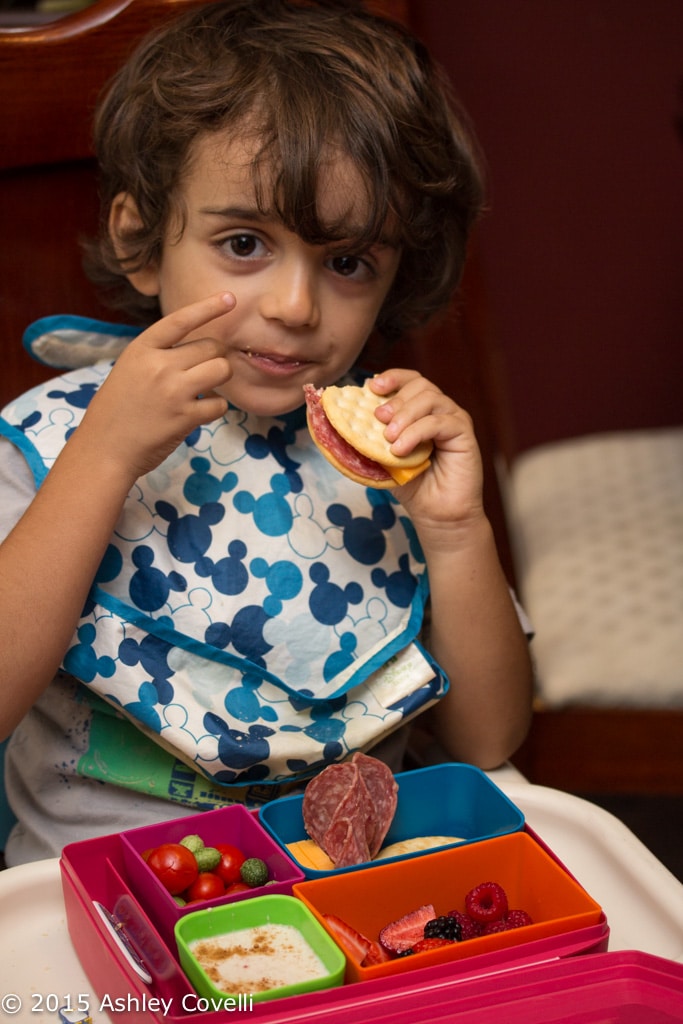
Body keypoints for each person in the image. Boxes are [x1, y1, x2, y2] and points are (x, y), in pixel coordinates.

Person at [0, 0, 533, 865]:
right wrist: (100, 459)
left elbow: (487, 741)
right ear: (141, 241)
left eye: (348, 263)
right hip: (105, 894)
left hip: (354, 886)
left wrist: (454, 532)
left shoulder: (390, 457)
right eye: (244, 242)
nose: (293, 307)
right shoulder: (48, 440)